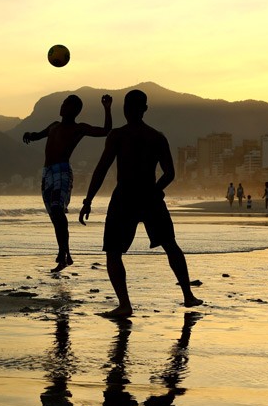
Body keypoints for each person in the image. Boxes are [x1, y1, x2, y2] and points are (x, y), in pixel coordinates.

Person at [79, 90, 202, 317]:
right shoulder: (156, 137)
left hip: (125, 197)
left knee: (114, 252)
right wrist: (154, 191)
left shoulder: (118, 135)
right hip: (149, 197)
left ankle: (125, 304)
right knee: (170, 245)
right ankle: (188, 296)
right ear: (144, 109)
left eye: (128, 106)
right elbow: (170, 174)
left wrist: (88, 200)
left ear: (127, 109)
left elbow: (101, 169)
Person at [23, 93, 113, 272]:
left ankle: (63, 252)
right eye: (63, 103)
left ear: (75, 110)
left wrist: (107, 108)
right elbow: (38, 135)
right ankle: (65, 255)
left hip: (62, 172)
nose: (63, 106)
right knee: (55, 217)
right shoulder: (53, 126)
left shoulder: (78, 128)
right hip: (47, 173)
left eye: (67, 104)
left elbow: (105, 131)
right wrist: (29, 135)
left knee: (57, 210)